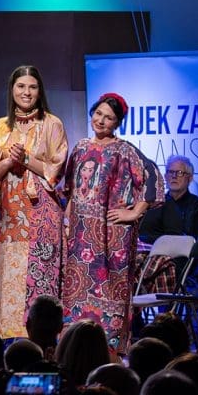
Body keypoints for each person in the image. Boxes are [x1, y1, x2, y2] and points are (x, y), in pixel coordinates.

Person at [60, 92, 154, 353]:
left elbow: (153, 179)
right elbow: (71, 190)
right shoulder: (80, 147)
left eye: (109, 117)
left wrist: (134, 213)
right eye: (98, 114)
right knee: (76, 293)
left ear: (117, 122)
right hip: (80, 236)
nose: (101, 120)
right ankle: (75, 352)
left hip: (112, 238)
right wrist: (67, 221)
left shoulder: (125, 150)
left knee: (111, 293)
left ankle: (110, 356)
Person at [0, 65, 68, 339]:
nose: (26, 92)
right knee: (10, 278)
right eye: (21, 86)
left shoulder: (52, 123)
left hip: (42, 212)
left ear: (40, 91)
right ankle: (12, 344)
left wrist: (25, 159)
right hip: (11, 214)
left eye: (32, 87)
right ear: (12, 90)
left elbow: (56, 169)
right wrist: (8, 160)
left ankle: (44, 342)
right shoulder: (0, 126)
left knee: (41, 277)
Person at [136, 154, 198, 293]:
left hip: (183, 263)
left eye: (180, 172)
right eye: (170, 172)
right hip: (152, 258)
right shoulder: (153, 205)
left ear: (190, 178)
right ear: (165, 176)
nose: (174, 176)